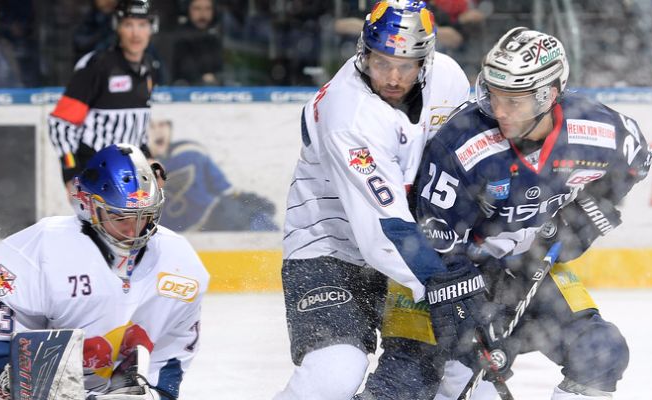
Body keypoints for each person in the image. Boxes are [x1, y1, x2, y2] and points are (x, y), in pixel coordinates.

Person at [368, 27, 652, 399]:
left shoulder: (596, 129)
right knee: (406, 385)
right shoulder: (463, 143)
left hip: (524, 267)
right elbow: (431, 243)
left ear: (548, 95)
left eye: (514, 101)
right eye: (493, 95)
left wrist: (587, 214)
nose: (499, 110)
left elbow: (635, 161)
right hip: (442, 276)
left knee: (600, 351)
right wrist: (468, 316)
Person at [275, 1, 474, 399]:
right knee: (335, 373)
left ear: (426, 60)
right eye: (381, 62)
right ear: (363, 52)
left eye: (407, 64)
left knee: (458, 370)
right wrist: (446, 287)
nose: (394, 77)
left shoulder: (449, 79)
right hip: (330, 248)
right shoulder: (349, 116)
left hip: (415, 250)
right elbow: (383, 231)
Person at [0, 144, 207, 400]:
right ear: (89, 205)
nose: (133, 230)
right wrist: (12, 378)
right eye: (120, 217)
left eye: (144, 216)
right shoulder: (39, 248)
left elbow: (172, 351)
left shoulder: (181, 265)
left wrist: (156, 395)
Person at [49, 0, 161, 198]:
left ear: (152, 28)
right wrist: (71, 173)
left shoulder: (150, 67)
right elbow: (60, 123)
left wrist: (149, 158)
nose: (136, 33)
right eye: (128, 24)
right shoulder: (97, 66)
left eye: (142, 25)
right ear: (117, 27)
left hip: (129, 173)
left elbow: (136, 128)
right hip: (93, 173)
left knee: (133, 227)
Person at [148, 119, 278, 232]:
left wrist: (236, 197)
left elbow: (223, 188)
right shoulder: (135, 164)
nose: (159, 131)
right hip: (203, 221)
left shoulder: (190, 152)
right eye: (152, 126)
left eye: (162, 125)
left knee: (257, 218)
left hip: (215, 216)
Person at [170, 0, 223, 86]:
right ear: (188, 10)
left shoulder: (215, 37)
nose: (203, 14)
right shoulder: (178, 38)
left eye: (208, 9)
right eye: (197, 8)